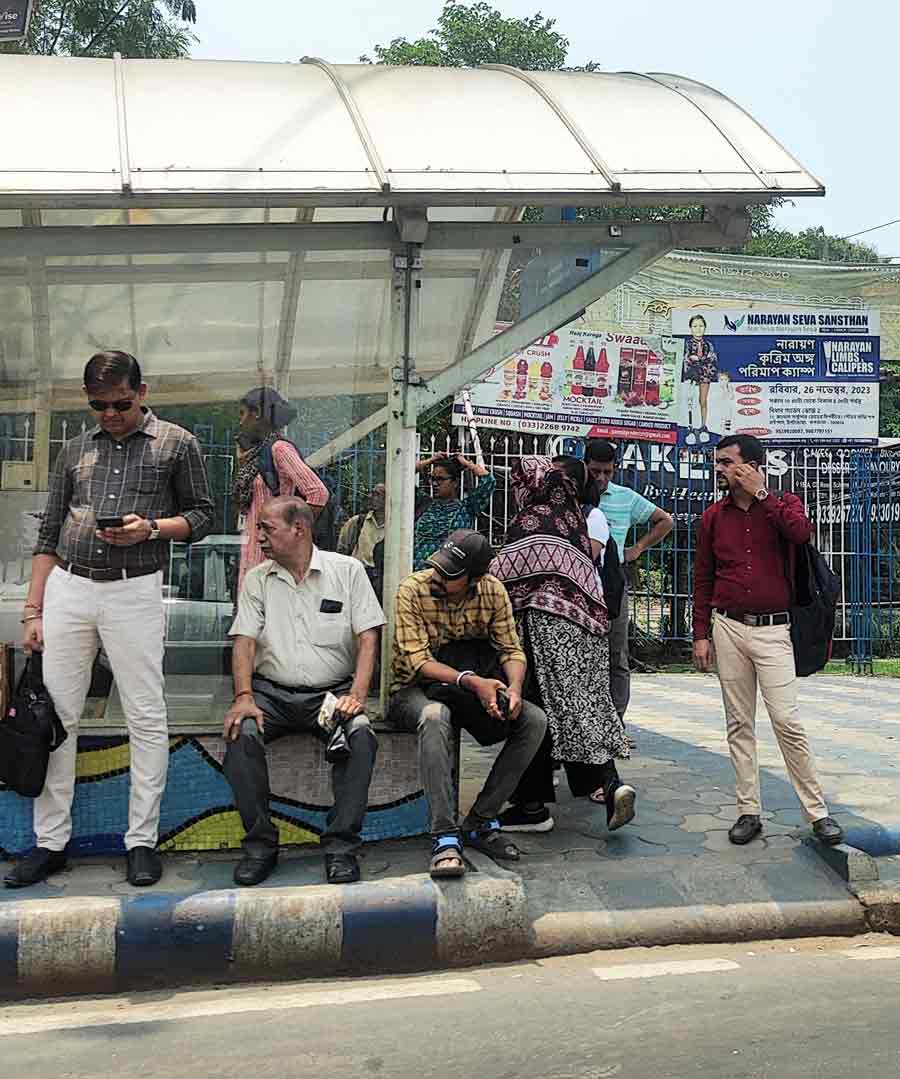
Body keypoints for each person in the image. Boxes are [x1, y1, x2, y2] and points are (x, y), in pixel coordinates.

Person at [7, 350, 214, 890]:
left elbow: (203, 515)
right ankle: (50, 842)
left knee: (145, 714)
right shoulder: (76, 449)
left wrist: (150, 528)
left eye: (120, 403)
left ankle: (141, 840)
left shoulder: (177, 442)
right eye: (99, 405)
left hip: (135, 589)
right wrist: (35, 609)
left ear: (142, 392)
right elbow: (48, 533)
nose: (110, 414)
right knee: (57, 717)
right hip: (69, 587)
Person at [222, 497, 384, 886]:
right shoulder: (258, 579)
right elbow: (244, 640)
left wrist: (357, 695)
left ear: (299, 529)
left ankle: (341, 846)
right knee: (239, 735)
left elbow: (368, 638)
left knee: (361, 737)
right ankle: (260, 845)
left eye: (266, 528)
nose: (258, 536)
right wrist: (243, 696)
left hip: (331, 695)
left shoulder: (347, 572)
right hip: (271, 694)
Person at [692, 434, 843, 847]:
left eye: (727, 462)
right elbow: (704, 577)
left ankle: (817, 813)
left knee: (787, 721)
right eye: (718, 463)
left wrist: (761, 493)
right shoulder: (712, 517)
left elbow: (800, 533)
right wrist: (701, 634)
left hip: (775, 630)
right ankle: (748, 811)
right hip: (728, 627)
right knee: (739, 723)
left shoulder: (785, 504)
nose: (720, 469)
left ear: (752, 465)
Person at [387, 529, 547, 879]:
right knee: (434, 716)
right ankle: (444, 836)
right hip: (413, 690)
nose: (438, 578)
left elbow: (511, 649)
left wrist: (515, 689)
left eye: (450, 575)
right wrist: (473, 682)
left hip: (471, 688)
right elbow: (416, 662)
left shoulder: (492, 591)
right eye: (438, 568)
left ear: (475, 578)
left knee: (534, 720)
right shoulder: (412, 589)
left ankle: (478, 822)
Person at [491, 456, 635, 835]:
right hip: (585, 633)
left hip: (544, 634)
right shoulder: (573, 520)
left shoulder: (535, 518)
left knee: (534, 714)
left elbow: (502, 575)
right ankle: (610, 783)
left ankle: (532, 806)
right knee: (584, 707)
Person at [583, 439, 674, 723]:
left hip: (612, 582)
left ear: (615, 470)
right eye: (595, 471)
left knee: (616, 652)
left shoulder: (625, 497)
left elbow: (665, 520)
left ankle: (615, 721)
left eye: (607, 472)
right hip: (578, 581)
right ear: (585, 467)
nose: (601, 478)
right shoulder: (574, 496)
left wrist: (638, 549)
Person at [234, 387, 329, 590]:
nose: (241, 421)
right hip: (253, 555)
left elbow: (318, 493)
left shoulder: (279, 449)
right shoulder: (257, 453)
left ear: (256, 413)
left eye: (243, 413)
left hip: (272, 563)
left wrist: (290, 536)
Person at [413, 452, 496, 571]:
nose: (435, 484)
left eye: (441, 479)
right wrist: (430, 460)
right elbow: (403, 476)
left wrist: (467, 463)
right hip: (417, 576)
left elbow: (489, 481)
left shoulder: (467, 509)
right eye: (433, 479)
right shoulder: (424, 504)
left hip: (449, 578)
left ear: (455, 482)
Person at [337, 484, 386, 596]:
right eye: (372, 493)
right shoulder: (357, 522)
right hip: (357, 576)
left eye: (377, 494)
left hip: (380, 581)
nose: (371, 496)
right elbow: (342, 549)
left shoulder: (395, 527)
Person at [681, 314, 718, 444]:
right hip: (691, 376)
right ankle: (691, 428)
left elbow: (712, 359)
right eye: (695, 326)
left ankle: (703, 427)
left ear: (705, 328)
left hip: (704, 377)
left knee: (703, 401)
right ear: (690, 328)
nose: (698, 329)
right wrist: (698, 361)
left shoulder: (708, 344)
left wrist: (699, 360)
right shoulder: (687, 344)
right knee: (690, 402)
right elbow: (687, 359)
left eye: (701, 326)